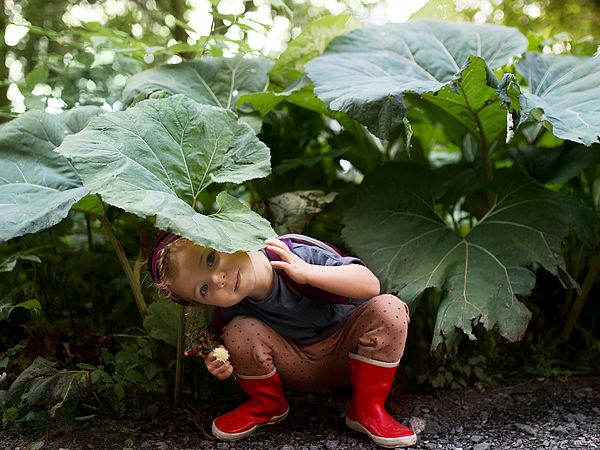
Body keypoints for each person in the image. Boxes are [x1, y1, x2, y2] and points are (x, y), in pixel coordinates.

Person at [148, 231, 417, 448]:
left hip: (348, 355)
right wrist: (220, 360)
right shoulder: (231, 310)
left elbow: (370, 285)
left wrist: (307, 272)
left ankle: (367, 408)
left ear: (225, 234)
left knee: (389, 308)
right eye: (204, 289)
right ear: (199, 303)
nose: (218, 279)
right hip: (297, 366)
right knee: (238, 331)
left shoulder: (291, 253)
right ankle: (268, 405)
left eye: (210, 259)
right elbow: (228, 348)